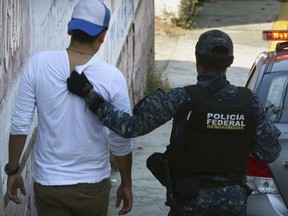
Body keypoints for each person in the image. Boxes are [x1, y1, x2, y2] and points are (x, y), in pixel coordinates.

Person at [67, 30, 281, 216]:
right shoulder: (248, 102)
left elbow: (130, 127)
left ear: (197, 60)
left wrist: (89, 94)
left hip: (190, 199)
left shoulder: (182, 98)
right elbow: (269, 152)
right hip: (233, 202)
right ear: (231, 62)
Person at [5, 0, 133, 215]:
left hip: (49, 184)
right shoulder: (112, 77)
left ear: (69, 28)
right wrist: (127, 183)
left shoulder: (37, 64)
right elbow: (121, 137)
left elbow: (20, 125)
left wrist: (13, 170)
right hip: (93, 185)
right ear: (103, 35)